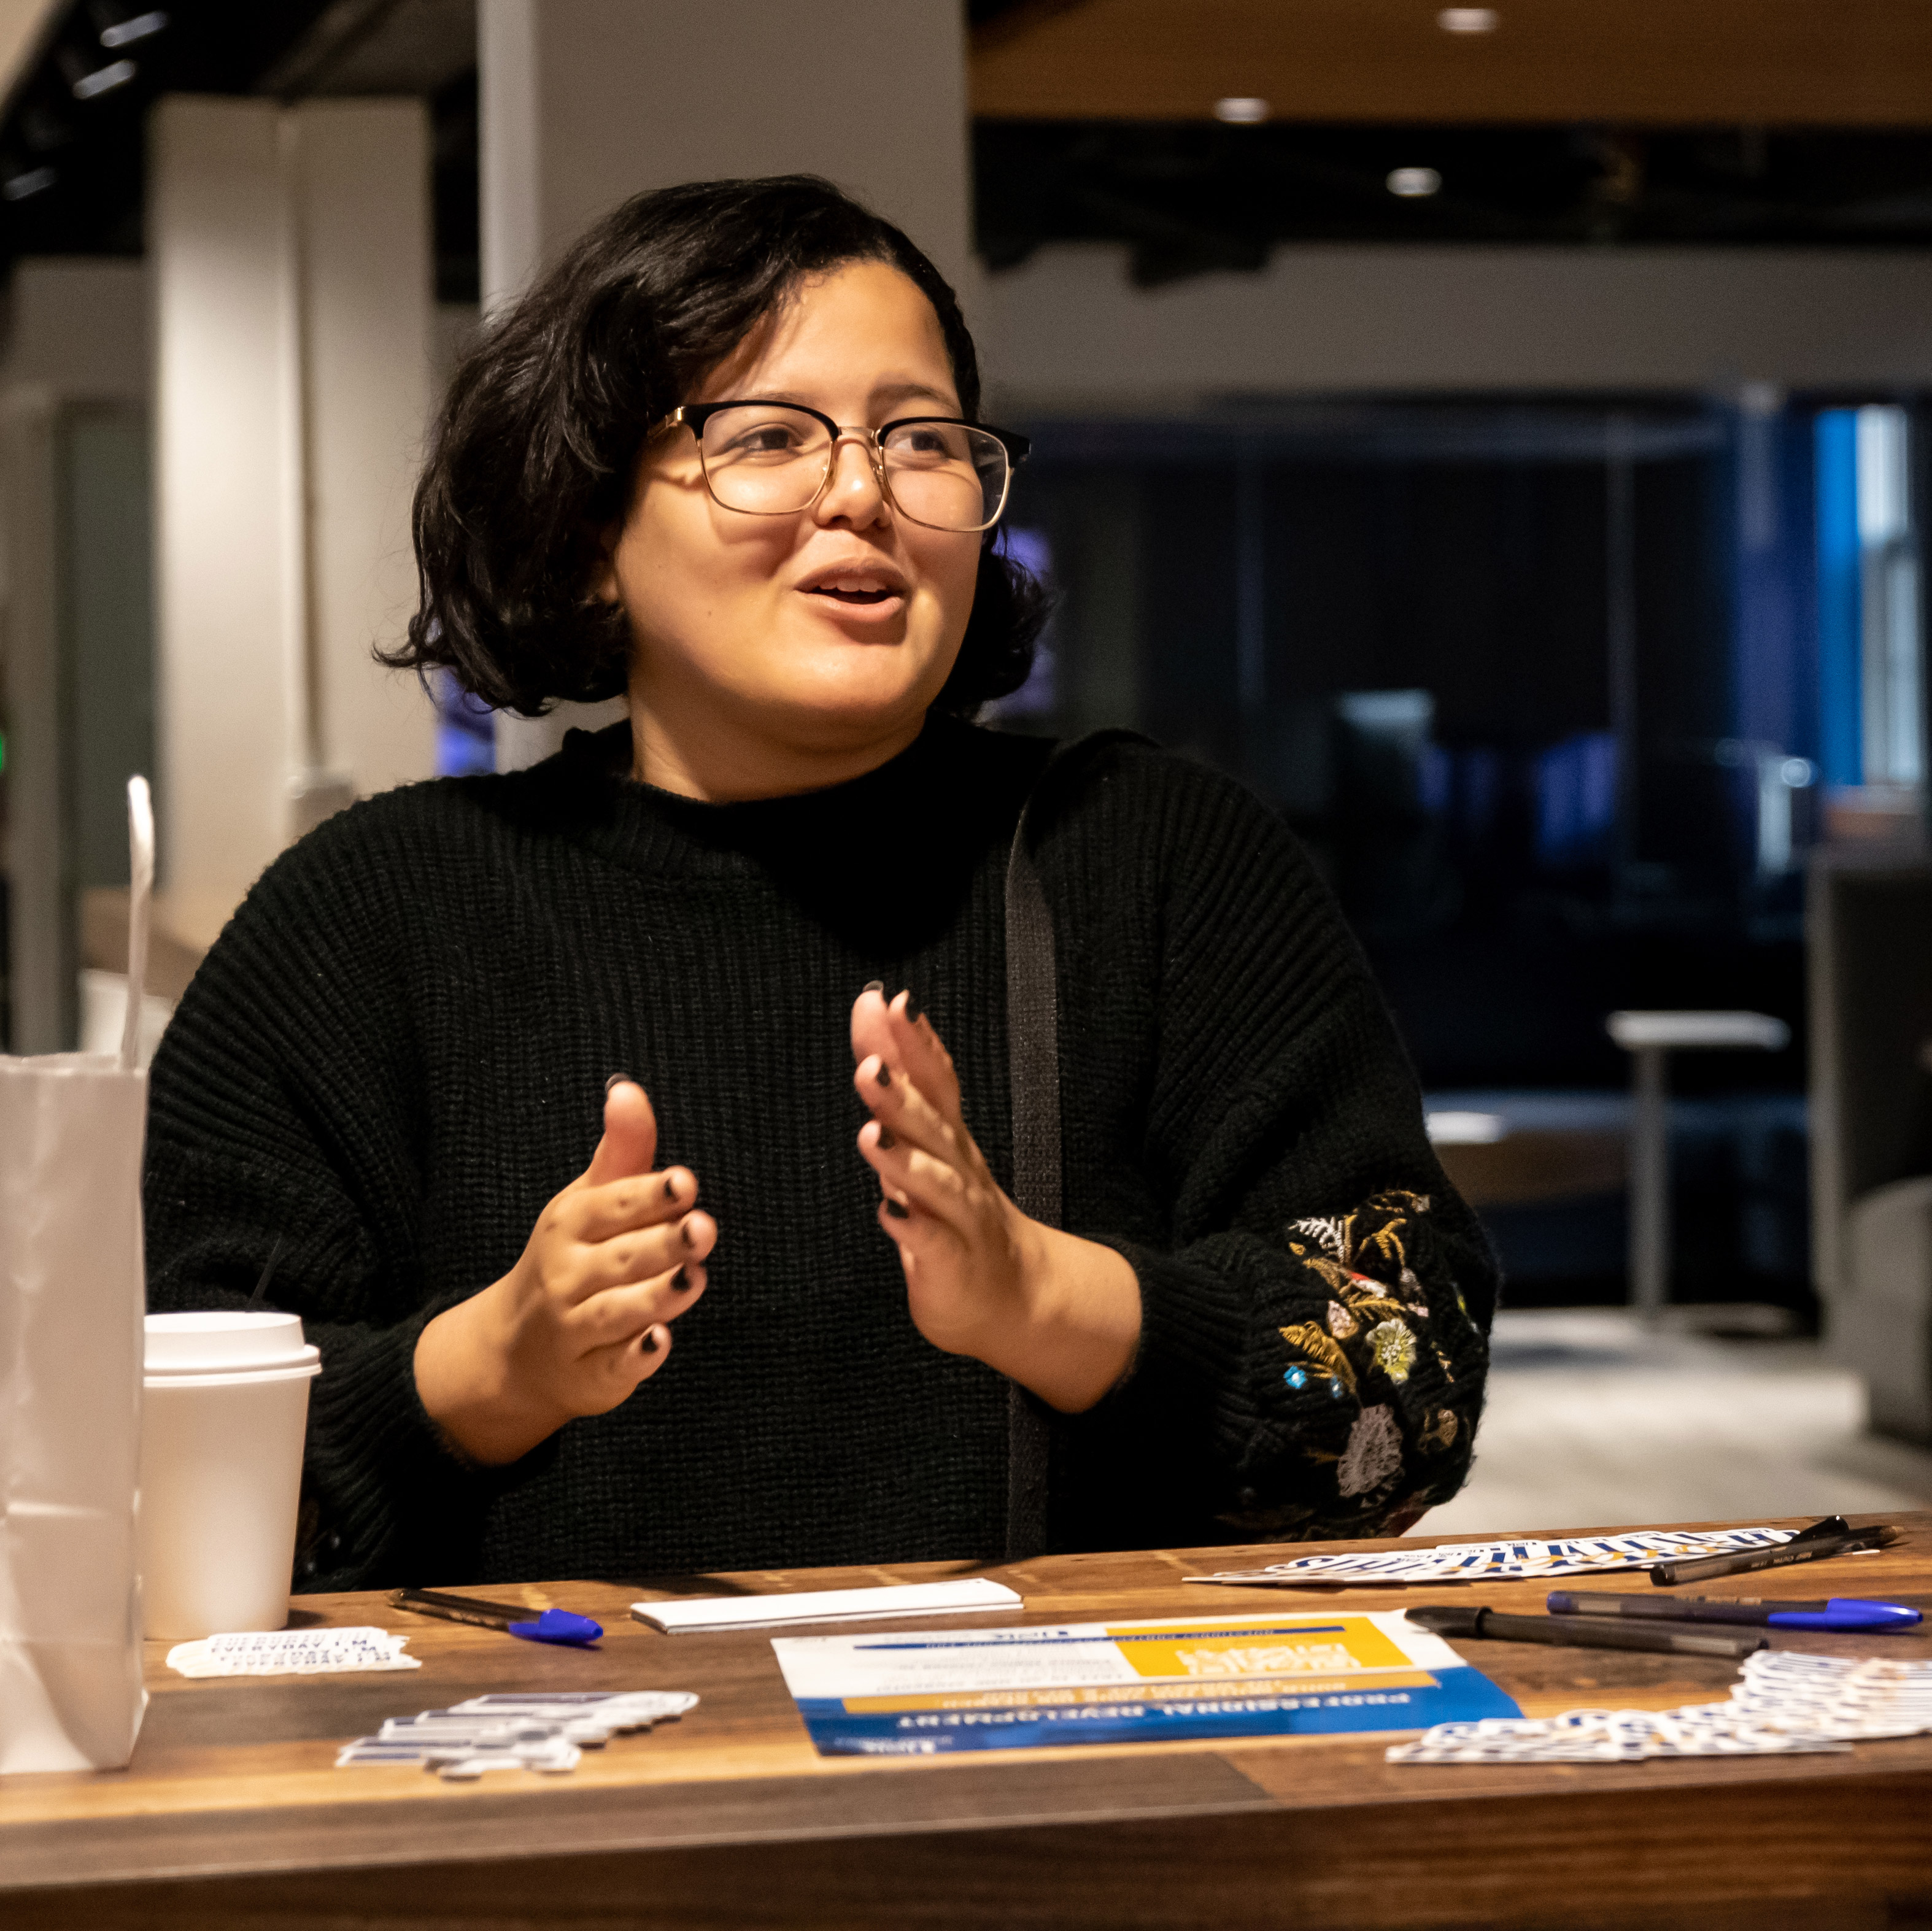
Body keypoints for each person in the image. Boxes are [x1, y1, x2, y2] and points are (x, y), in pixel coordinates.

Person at [144, 176, 1494, 1592]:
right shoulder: (371, 916)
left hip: (1083, 1774)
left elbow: (1409, 1389)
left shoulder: (1147, 855)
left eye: (921, 439)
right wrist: (497, 1362)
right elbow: (169, 1485)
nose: (861, 491)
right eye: (770, 436)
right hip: (558, 1798)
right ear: (589, 528)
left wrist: (1045, 1294)